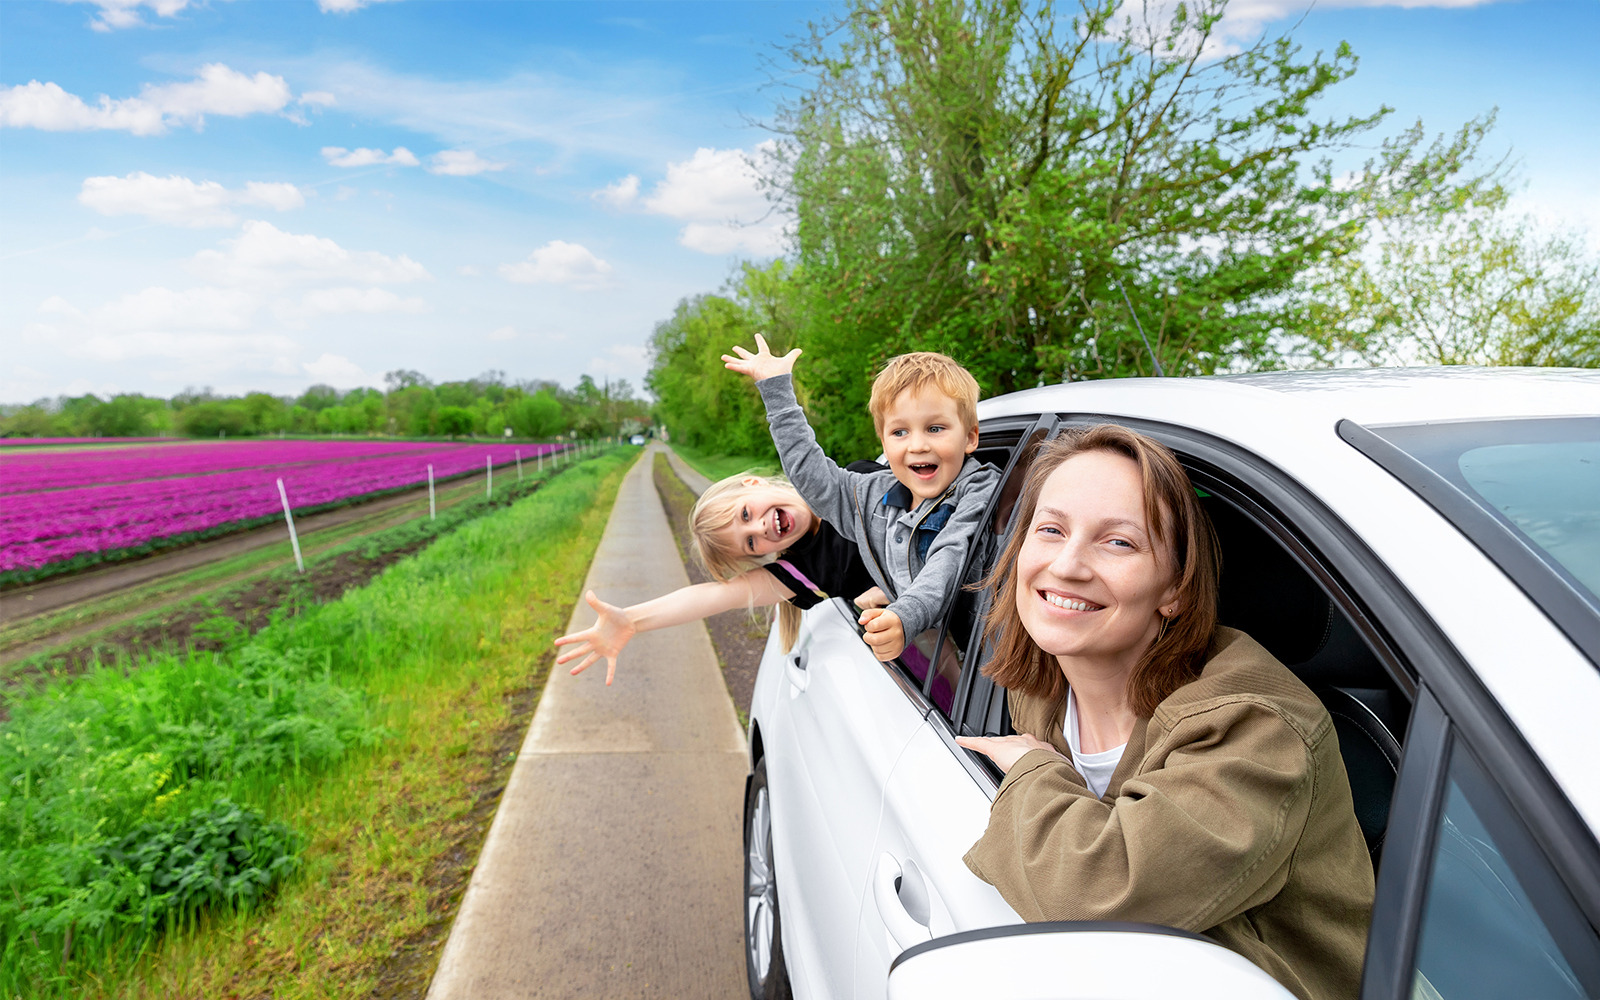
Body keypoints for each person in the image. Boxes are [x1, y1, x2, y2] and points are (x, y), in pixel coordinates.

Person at [954, 425, 1373, 1000]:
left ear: (1174, 587)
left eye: (1118, 542)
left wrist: (1031, 770)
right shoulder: (1040, 680)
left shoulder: (1256, 726)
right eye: (1050, 530)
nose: (1068, 565)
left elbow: (1098, 899)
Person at [723, 337, 1000, 664]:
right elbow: (814, 476)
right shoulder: (874, 497)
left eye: (935, 428)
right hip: (968, 662)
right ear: (882, 441)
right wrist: (776, 390)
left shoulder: (976, 488)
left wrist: (903, 616)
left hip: (1004, 654)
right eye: (900, 432)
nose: (917, 445)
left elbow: (948, 561)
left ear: (970, 437)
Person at [555, 471, 883, 685]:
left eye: (745, 514)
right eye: (751, 543)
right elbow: (714, 595)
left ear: (755, 483)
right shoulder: (802, 572)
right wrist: (631, 619)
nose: (759, 528)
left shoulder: (850, 478)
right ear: (759, 557)